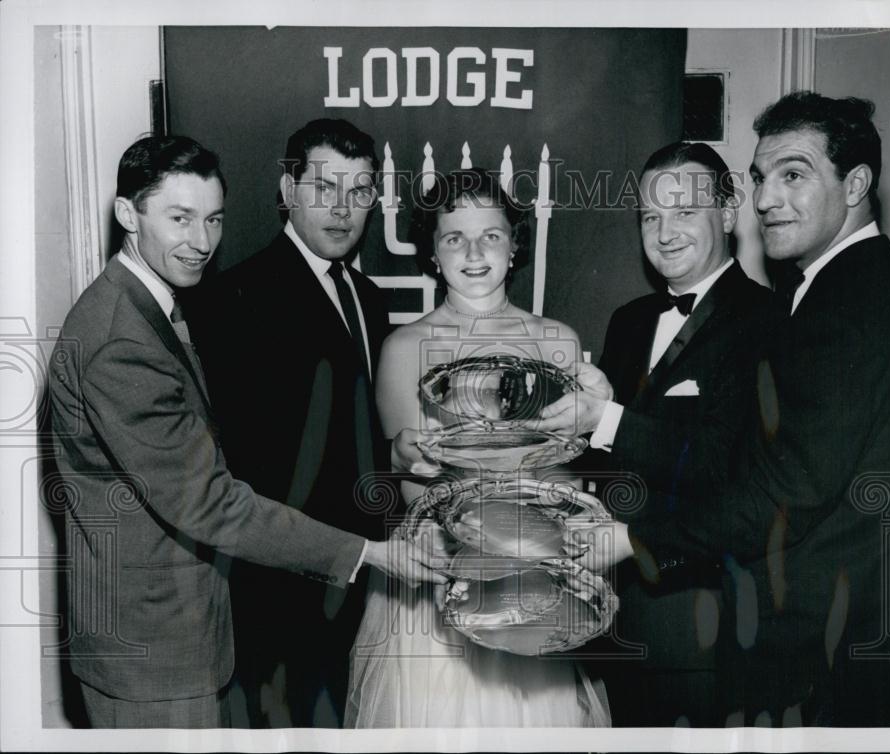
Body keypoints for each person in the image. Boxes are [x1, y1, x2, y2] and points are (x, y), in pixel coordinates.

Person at [569, 92, 890, 726]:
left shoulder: (844, 307)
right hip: (842, 651)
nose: (767, 198)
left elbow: (775, 494)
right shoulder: (867, 290)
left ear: (856, 182)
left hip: (821, 666)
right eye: (760, 177)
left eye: (793, 175)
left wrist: (627, 539)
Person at [47, 135, 444, 729]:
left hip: (181, 631)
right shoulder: (120, 341)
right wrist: (369, 553)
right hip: (155, 649)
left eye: (213, 219)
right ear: (128, 214)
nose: (202, 242)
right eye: (179, 219)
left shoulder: (150, 305)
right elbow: (210, 500)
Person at [344, 168, 611, 727]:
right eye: (453, 237)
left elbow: (562, 471)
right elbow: (418, 486)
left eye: (490, 234)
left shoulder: (558, 340)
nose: (473, 251)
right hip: (441, 572)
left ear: (515, 246)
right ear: (433, 255)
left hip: (535, 569)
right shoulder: (403, 348)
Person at [536, 141, 777, 726]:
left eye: (685, 212)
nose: (665, 233)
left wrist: (605, 418)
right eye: (651, 216)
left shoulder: (769, 321)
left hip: (700, 629)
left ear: (726, 213)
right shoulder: (629, 320)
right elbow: (612, 463)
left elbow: (726, 466)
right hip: (611, 618)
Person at [188, 118, 393, 727]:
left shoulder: (368, 295)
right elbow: (241, 475)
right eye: (325, 188)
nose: (342, 209)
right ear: (287, 188)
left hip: (366, 583)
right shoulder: (233, 300)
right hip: (282, 597)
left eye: (360, 191)